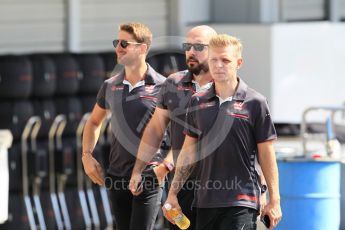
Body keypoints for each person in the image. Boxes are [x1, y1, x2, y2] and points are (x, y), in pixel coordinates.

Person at [163, 34, 282, 230]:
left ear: (239, 63)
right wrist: (173, 193)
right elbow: (187, 152)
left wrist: (274, 199)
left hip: (241, 201)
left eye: (225, 60)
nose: (219, 65)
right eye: (214, 60)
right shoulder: (197, 101)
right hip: (204, 202)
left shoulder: (255, 102)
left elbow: (267, 155)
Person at [129, 25, 217, 230]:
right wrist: (138, 170)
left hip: (220, 188)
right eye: (187, 46)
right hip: (182, 188)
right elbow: (155, 130)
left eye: (199, 47)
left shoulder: (227, 85)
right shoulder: (173, 83)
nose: (191, 52)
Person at [81, 22, 166, 230]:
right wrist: (86, 155)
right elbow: (93, 122)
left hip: (149, 175)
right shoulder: (110, 86)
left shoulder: (164, 86)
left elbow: (182, 134)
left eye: (124, 43)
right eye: (116, 42)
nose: (118, 47)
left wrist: (163, 168)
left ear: (143, 48)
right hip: (116, 176)